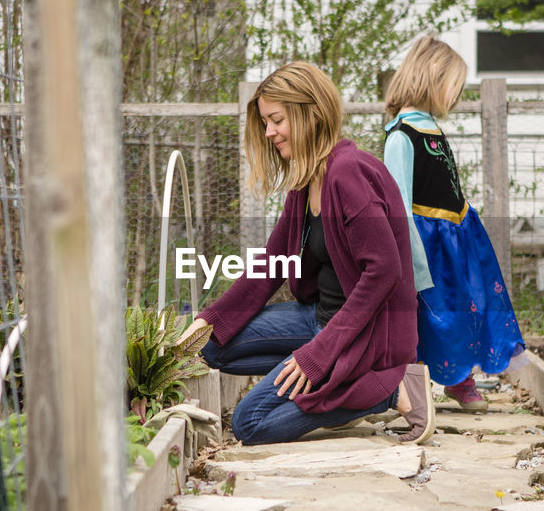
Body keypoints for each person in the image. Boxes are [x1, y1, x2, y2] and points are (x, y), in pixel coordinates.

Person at [177, 61, 435, 445]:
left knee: (249, 424)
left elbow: (383, 272)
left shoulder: (350, 173)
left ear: (310, 113)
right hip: (318, 319)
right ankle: (338, 386)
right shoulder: (307, 178)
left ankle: (387, 390)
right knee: (211, 346)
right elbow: (272, 262)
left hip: (366, 336)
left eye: (276, 120)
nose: (269, 133)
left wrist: (318, 354)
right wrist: (209, 320)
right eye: (265, 122)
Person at [381, 36, 526, 410]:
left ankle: (460, 378)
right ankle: (414, 388)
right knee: (427, 315)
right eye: (454, 85)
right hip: (426, 245)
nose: (458, 94)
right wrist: (410, 262)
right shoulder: (402, 136)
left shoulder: (433, 130)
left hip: (456, 242)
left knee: (465, 307)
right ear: (432, 78)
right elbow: (398, 203)